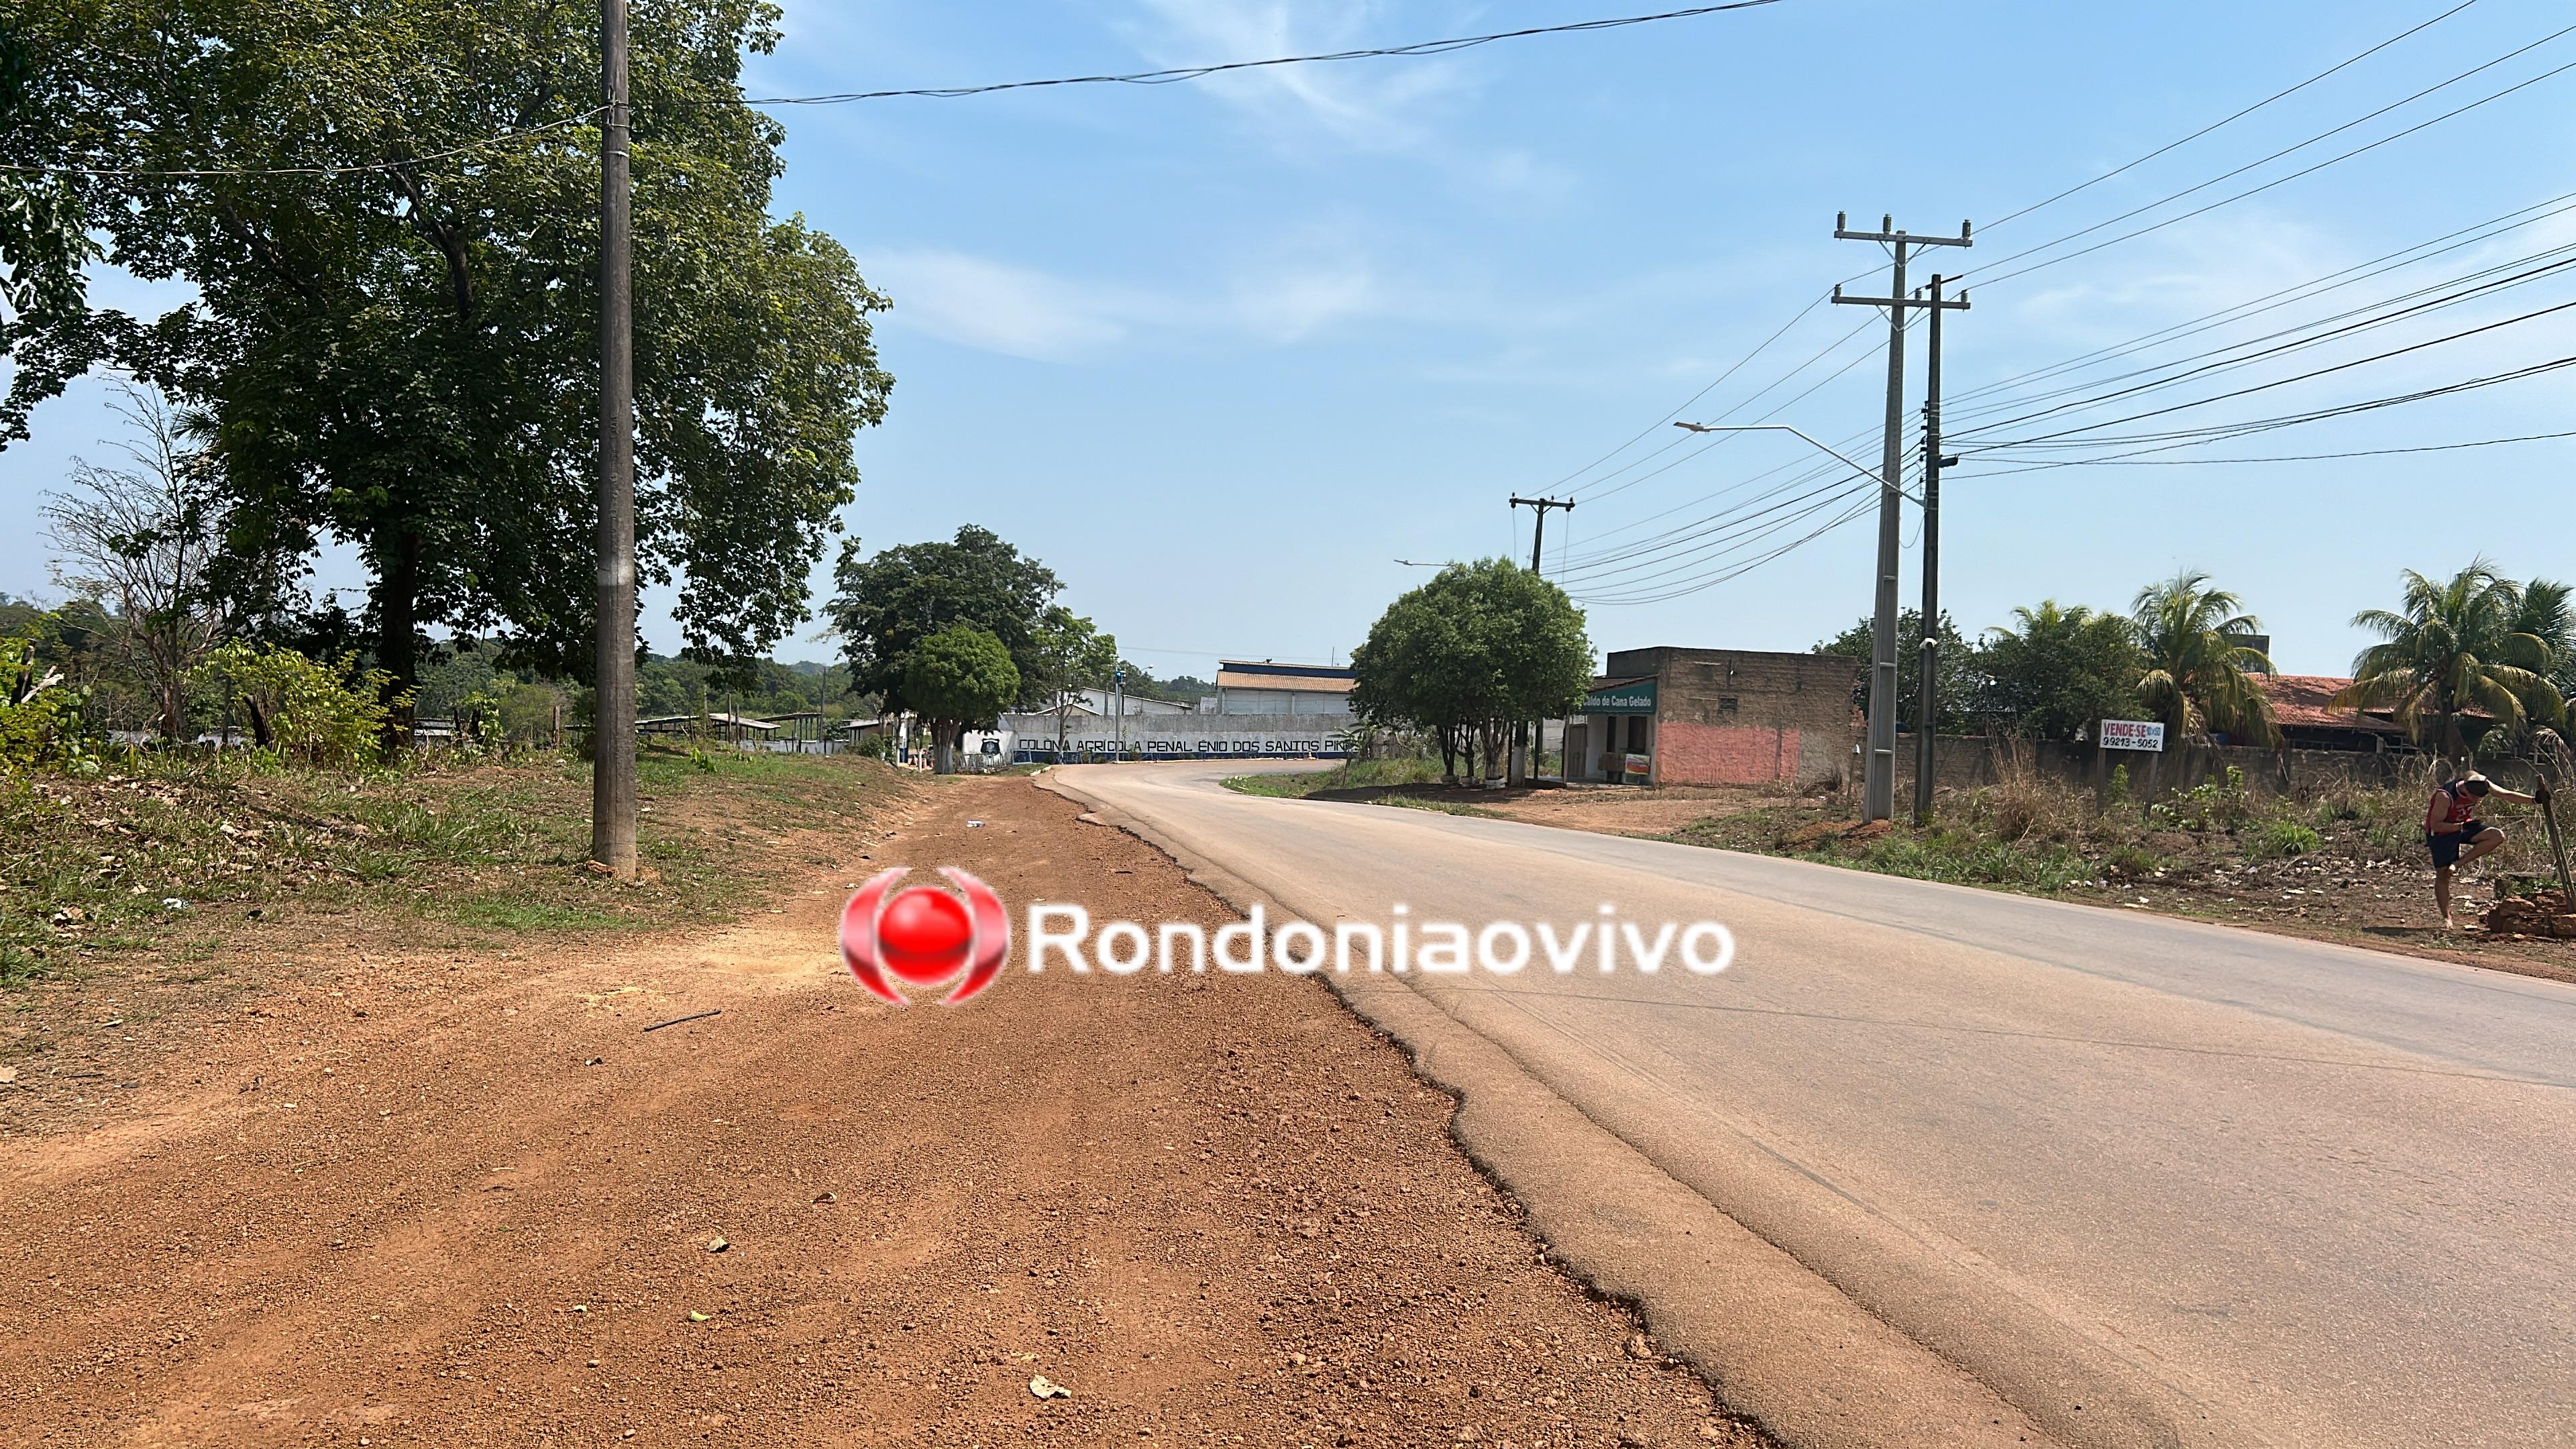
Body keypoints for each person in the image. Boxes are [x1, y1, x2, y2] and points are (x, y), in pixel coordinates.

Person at [2424, 770, 2550, 928]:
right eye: (2474, 797)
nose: (2476, 800)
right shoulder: (2445, 796)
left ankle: (2457, 864)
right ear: (2465, 789)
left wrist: (2534, 800)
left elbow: (2506, 795)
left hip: (2463, 825)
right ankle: (2447, 917)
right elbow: (2436, 825)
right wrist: (2460, 826)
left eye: (2479, 797)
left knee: (2497, 836)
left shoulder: (2482, 783)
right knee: (2443, 875)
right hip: (2442, 832)